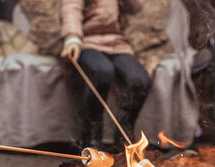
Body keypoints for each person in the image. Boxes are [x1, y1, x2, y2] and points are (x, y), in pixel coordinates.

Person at [60, 0, 151, 148]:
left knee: (139, 80)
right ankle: (92, 135)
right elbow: (71, 9)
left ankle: (123, 137)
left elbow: (135, 7)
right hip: (88, 42)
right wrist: (72, 38)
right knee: (102, 72)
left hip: (118, 44)